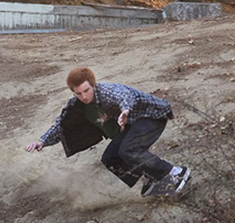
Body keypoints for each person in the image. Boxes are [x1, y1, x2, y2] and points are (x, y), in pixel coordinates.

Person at [25, 66, 191, 196]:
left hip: (151, 115)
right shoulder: (76, 105)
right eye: (79, 93)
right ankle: (153, 177)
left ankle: (175, 172)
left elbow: (124, 95)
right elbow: (61, 124)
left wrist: (125, 110)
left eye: (86, 90)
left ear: (93, 85)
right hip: (131, 124)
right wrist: (43, 141)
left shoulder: (107, 91)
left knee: (128, 150)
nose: (84, 96)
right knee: (110, 158)